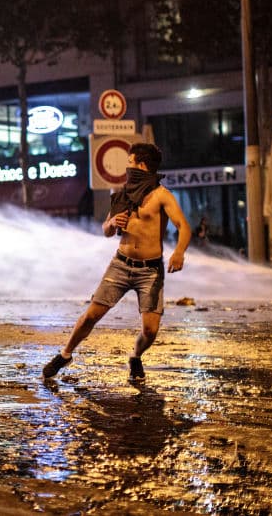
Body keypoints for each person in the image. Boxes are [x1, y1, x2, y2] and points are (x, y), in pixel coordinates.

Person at [42, 143, 191, 382]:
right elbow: (106, 231)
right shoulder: (123, 193)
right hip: (120, 265)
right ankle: (65, 354)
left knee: (150, 331)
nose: (127, 168)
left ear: (142, 165)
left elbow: (184, 226)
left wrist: (179, 252)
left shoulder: (162, 196)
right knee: (91, 315)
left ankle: (135, 356)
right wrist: (111, 224)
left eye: (130, 162)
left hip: (150, 271)